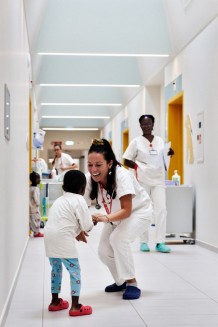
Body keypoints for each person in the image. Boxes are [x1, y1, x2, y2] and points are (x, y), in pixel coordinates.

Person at [84, 138, 152, 300]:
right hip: (114, 215)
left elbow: (127, 210)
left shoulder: (122, 176)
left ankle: (132, 282)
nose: (93, 169)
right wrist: (79, 225)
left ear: (110, 163)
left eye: (98, 165)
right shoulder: (90, 179)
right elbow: (81, 205)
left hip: (139, 212)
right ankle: (121, 281)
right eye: (90, 165)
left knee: (118, 239)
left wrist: (104, 218)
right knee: (103, 252)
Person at [44, 170, 93, 317]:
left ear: (64, 186)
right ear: (83, 188)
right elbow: (87, 226)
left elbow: (64, 221)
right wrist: (93, 219)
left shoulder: (60, 200)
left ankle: (55, 302)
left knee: (56, 269)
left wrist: (78, 230)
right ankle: (76, 306)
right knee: (75, 272)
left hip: (49, 239)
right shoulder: (79, 200)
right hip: (64, 241)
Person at [123, 114, 174, 253]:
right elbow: (125, 159)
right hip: (142, 179)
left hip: (158, 179)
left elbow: (163, 157)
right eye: (144, 124)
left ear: (153, 124)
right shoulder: (136, 142)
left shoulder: (160, 141)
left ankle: (160, 242)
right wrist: (137, 167)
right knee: (144, 210)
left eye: (149, 123)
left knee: (161, 209)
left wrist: (170, 153)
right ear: (140, 126)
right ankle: (143, 241)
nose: (146, 126)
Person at [29, 171, 44, 237]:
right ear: (34, 180)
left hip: (30, 207)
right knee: (37, 219)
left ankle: (34, 231)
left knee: (32, 220)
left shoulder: (29, 187)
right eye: (38, 178)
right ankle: (37, 232)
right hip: (35, 207)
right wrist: (38, 203)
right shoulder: (36, 189)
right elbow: (36, 198)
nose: (39, 180)